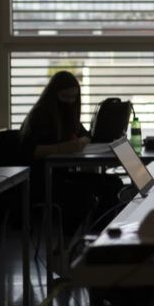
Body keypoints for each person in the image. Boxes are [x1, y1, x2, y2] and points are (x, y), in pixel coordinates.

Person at [19, 71, 123, 234]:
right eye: (65, 96)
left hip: (62, 175)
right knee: (82, 197)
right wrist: (64, 148)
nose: (70, 101)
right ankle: (69, 245)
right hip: (42, 179)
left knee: (114, 184)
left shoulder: (68, 114)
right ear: (54, 94)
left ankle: (95, 234)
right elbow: (31, 151)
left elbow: (86, 135)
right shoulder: (40, 115)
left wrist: (80, 142)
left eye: (73, 97)